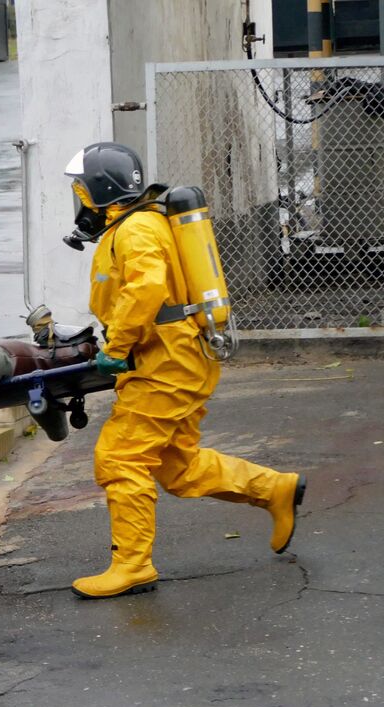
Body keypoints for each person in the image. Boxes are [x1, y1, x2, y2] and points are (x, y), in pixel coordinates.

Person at [63, 142, 305, 599]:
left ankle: (132, 566)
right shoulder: (138, 225)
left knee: (121, 458)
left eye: (82, 192)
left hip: (165, 367)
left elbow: (147, 288)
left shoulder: (135, 231)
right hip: (174, 361)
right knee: (179, 467)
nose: (79, 203)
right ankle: (275, 489)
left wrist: (116, 347)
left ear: (101, 191)